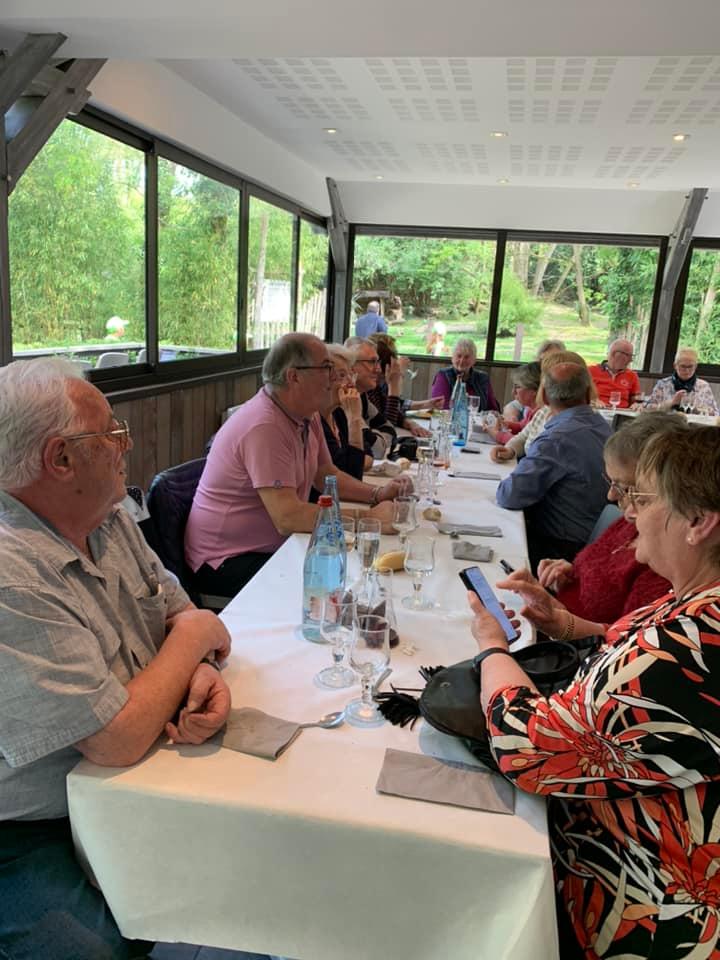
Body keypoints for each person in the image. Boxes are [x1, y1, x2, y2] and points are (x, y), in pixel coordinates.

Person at [0, 357, 233, 959]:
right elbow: (114, 738)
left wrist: (200, 669)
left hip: (122, 787)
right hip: (27, 825)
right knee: (97, 949)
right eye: (111, 432)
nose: (125, 445)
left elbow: (181, 614)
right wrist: (193, 641)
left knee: (242, 865)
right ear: (60, 458)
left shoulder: (105, 515)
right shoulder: (10, 573)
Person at [468, 424, 720, 959]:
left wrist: (492, 647)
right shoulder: (694, 605)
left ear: (698, 522)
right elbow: (622, 647)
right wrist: (563, 623)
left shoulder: (689, 646)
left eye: (642, 499)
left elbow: (526, 746)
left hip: (649, 907)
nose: (629, 513)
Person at [185, 333, 410, 597]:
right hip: (227, 560)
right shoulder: (264, 425)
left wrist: (378, 494)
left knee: (354, 572)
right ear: (294, 376)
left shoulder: (306, 414)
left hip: (273, 546)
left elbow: (326, 474)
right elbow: (288, 517)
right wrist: (367, 520)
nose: (334, 378)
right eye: (326, 368)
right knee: (341, 582)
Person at [497, 412, 687, 636]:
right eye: (611, 482)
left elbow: (625, 642)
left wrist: (563, 624)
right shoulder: (628, 524)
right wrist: (566, 580)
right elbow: (596, 584)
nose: (610, 495)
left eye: (625, 487)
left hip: (574, 649)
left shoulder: (662, 561)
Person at [496, 359, 611, 570]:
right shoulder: (603, 427)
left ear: (545, 397)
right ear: (588, 393)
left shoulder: (557, 439)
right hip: (596, 541)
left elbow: (510, 495)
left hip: (559, 549)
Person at [489, 341, 567, 463]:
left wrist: (497, 434)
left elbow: (540, 457)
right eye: (542, 361)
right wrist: (510, 450)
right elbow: (524, 435)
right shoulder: (544, 410)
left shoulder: (562, 418)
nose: (543, 369)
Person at [315, 343, 372, 483]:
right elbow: (350, 475)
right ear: (320, 380)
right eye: (342, 375)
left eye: (350, 375)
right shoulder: (314, 421)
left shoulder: (338, 413)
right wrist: (354, 418)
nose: (350, 383)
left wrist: (354, 459)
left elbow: (369, 453)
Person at [430, 338, 499, 411]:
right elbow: (441, 408)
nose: (462, 361)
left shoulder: (483, 378)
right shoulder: (443, 376)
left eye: (466, 357)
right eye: (459, 356)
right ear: (452, 358)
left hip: (479, 418)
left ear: (474, 360)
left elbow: (493, 408)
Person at [647, 346, 719, 414]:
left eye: (690, 366)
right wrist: (671, 403)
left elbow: (716, 413)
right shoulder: (663, 384)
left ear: (696, 366)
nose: (687, 370)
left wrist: (698, 409)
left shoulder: (703, 386)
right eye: (683, 366)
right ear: (675, 366)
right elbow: (648, 409)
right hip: (668, 422)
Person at [588, 338, 642, 408]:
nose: (631, 360)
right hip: (597, 411)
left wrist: (636, 404)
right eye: (628, 355)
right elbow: (579, 395)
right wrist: (593, 400)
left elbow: (636, 400)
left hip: (622, 413)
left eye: (632, 356)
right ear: (614, 354)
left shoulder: (632, 375)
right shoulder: (590, 371)